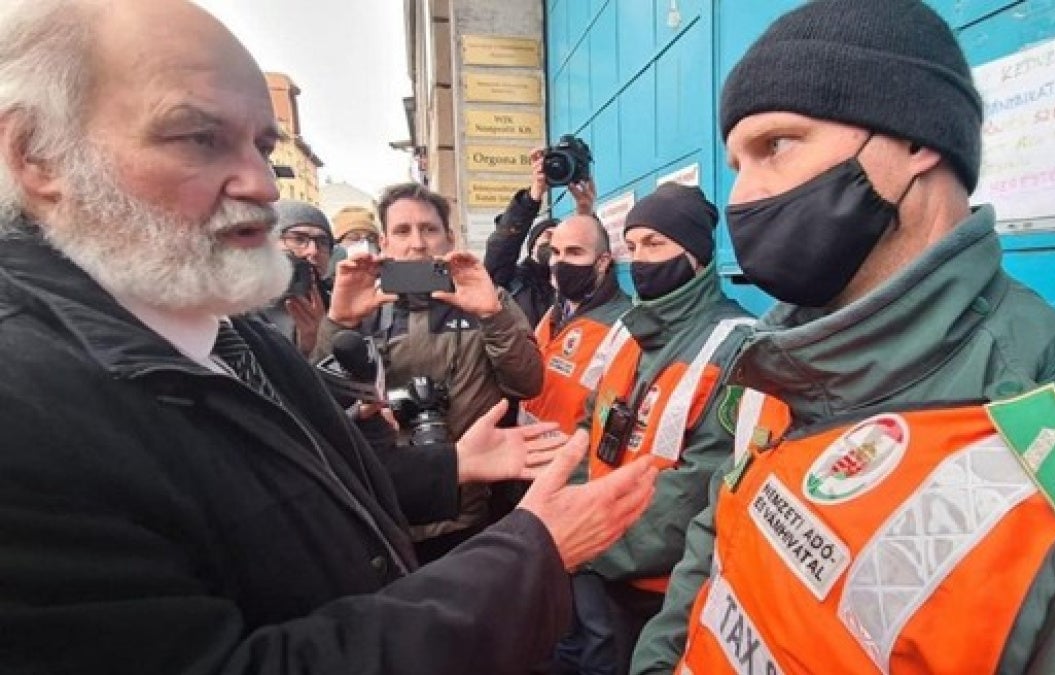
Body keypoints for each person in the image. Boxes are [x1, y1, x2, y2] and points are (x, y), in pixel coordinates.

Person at [0, 1, 659, 673]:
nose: (259, 184)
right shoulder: (24, 413)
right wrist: (530, 553)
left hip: (463, 540)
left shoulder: (213, 327)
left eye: (262, 146)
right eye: (198, 137)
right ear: (37, 153)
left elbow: (313, 480)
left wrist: (455, 459)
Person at [631, 2, 1055, 674]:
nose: (743, 195)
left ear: (915, 139)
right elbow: (715, 549)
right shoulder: (783, 356)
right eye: (736, 163)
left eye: (776, 145)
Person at [556, 183, 753, 675]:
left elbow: (696, 489)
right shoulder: (627, 330)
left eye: (656, 244)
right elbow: (587, 428)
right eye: (634, 244)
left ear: (696, 255)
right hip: (590, 567)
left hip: (657, 597)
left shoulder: (737, 345)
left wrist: (589, 546)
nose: (640, 259)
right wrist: (572, 524)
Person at [314, 182, 545, 562]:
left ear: (449, 238)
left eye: (429, 229)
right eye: (403, 231)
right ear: (384, 243)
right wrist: (338, 325)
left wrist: (492, 317)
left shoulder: (486, 299)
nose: (417, 243)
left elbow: (528, 382)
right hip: (388, 506)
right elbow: (324, 406)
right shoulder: (361, 305)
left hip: (475, 509)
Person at [520, 213, 631, 438]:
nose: (560, 262)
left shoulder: (624, 325)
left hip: (573, 465)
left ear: (602, 262)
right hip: (529, 455)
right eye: (555, 252)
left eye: (574, 252)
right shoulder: (554, 312)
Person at [485, 147, 595, 328]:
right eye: (548, 234)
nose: (554, 240)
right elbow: (500, 249)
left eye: (560, 237)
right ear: (531, 246)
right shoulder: (512, 279)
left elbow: (595, 262)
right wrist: (534, 193)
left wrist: (585, 211)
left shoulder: (573, 279)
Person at [258, 199, 333, 357]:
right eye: (298, 239)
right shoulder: (240, 310)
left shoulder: (338, 307)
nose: (313, 251)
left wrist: (321, 342)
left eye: (322, 242)